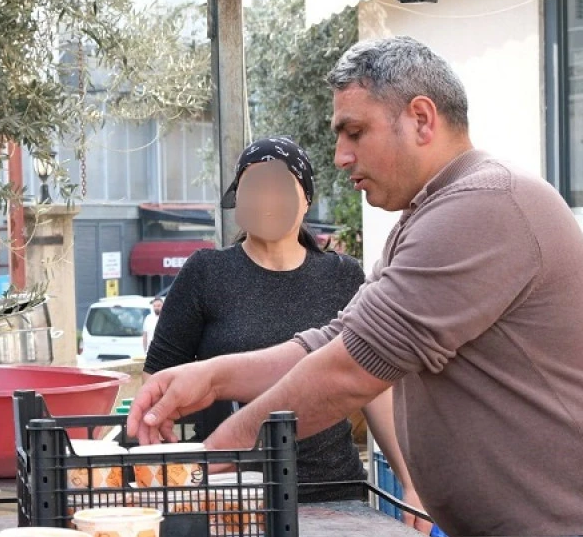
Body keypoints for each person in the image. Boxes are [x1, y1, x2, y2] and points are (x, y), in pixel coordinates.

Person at [130, 36, 583, 537]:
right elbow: (337, 339)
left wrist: (220, 453)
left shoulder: (484, 205)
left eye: (354, 132)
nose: (340, 156)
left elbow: (350, 370)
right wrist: (215, 378)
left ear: (421, 119)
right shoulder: (429, 216)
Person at [144, 136, 422, 508]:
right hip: (232, 496)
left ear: (305, 199)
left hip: (333, 493)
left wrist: (411, 484)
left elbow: (374, 385)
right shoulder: (206, 273)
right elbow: (157, 386)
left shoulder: (342, 275)